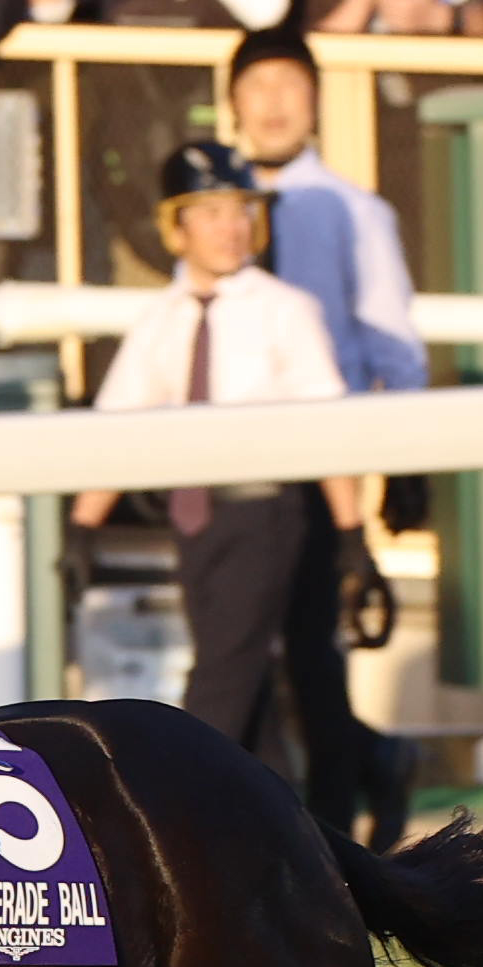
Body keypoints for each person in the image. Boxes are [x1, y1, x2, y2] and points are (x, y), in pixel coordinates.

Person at [81, 142, 390, 841]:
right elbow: (116, 430)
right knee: (253, 703)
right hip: (196, 524)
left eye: (241, 210)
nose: (230, 227)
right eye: (210, 212)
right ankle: (285, 839)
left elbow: (326, 428)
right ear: (176, 227)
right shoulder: (160, 320)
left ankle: (162, 820)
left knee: (222, 678)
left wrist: (352, 537)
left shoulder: (286, 310)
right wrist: (82, 528)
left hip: (267, 512)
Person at [222, 30, 427, 393]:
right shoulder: (214, 211)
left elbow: (393, 338)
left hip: (328, 416)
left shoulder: (358, 210)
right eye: (256, 85)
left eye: (289, 82)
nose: (273, 101)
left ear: (315, 97)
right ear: (234, 102)